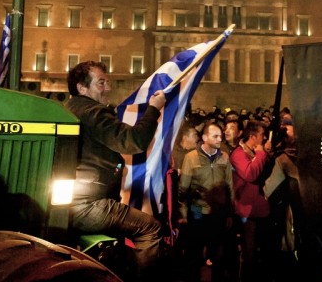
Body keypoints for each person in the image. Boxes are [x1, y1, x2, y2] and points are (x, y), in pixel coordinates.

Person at [65, 60, 166, 281]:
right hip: (88, 204)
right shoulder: (93, 112)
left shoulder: (70, 109)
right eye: (101, 83)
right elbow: (134, 141)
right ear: (82, 88)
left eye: (108, 82)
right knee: (151, 229)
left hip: (73, 201)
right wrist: (153, 109)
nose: (108, 88)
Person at [177, 121, 234, 282]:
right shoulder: (191, 158)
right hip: (198, 214)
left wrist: (229, 212)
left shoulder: (224, 157)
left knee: (218, 255)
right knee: (194, 254)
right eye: (215, 136)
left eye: (220, 136)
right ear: (204, 137)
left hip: (218, 215)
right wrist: (183, 214)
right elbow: (183, 188)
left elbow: (229, 185)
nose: (219, 139)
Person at [231, 120, 276, 282]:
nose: (264, 138)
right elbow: (251, 174)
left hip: (261, 209)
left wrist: (268, 154)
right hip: (247, 212)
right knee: (248, 253)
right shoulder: (238, 154)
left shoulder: (257, 151)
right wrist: (262, 154)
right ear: (252, 136)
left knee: (262, 252)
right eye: (262, 135)